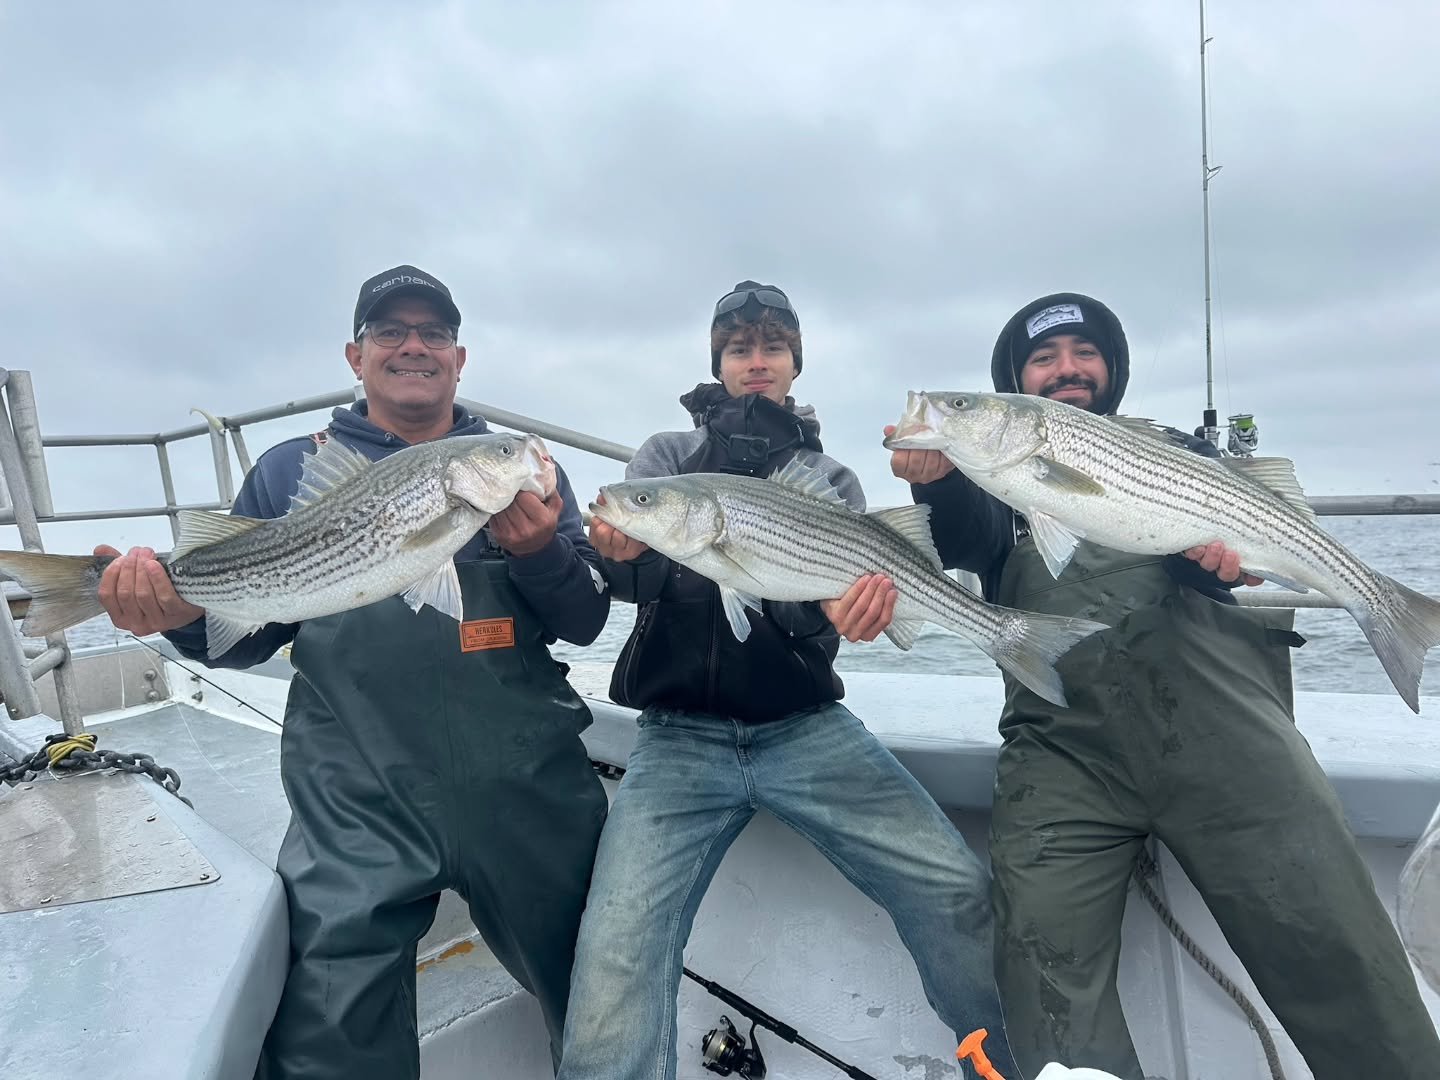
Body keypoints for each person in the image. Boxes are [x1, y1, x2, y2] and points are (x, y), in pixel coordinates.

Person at [889, 292, 1440, 1079]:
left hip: (1220, 741)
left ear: (1111, 369)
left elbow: (1208, 562)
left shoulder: (1177, 456)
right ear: (1017, 382)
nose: (1067, 369)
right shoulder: (991, 486)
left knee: (1340, 954)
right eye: (1043, 358)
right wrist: (937, 480)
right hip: (1064, 755)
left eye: (1084, 353)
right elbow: (958, 540)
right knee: (1041, 971)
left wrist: (1216, 563)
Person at [94, 265, 610, 1079]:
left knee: (601, 988)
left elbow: (584, 621)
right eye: (390, 331)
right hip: (357, 791)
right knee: (331, 1028)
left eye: (434, 332)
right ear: (355, 353)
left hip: (526, 781)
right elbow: (245, 638)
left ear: (460, 357)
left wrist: (539, 548)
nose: (414, 346)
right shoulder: (290, 469)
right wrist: (181, 613)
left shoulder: (519, 472)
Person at [556, 282, 1017, 1080]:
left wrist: (843, 613)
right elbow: (625, 583)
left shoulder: (828, 475)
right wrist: (616, 554)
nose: (756, 361)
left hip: (807, 732)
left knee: (954, 890)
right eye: (739, 348)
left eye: (772, 346)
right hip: (676, 743)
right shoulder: (666, 460)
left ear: (796, 363)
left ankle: (1018, 1066)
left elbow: (817, 618)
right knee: (615, 949)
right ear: (718, 362)